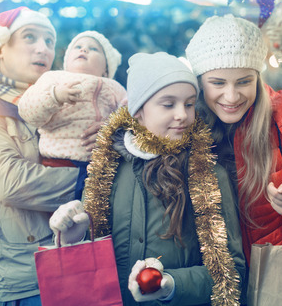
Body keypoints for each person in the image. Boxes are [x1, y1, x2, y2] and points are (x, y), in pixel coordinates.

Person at [49, 52, 246, 305]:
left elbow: (233, 271)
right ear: (138, 110)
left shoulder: (208, 174)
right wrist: (75, 238)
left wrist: (172, 285)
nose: (182, 115)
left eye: (189, 104)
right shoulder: (105, 170)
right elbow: (85, 271)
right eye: (168, 104)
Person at [0, 7, 97, 305]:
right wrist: (97, 179)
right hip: (33, 281)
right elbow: (10, 183)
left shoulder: (65, 101)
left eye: (48, 40)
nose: (42, 48)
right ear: (2, 49)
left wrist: (109, 138)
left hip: (93, 262)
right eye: (29, 37)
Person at [185, 14, 282, 265]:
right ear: (199, 83)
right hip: (211, 281)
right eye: (217, 83)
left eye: (244, 82)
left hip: (275, 278)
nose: (231, 96)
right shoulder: (183, 124)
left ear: (258, 79)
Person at [18, 31, 127, 199]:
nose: (84, 50)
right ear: (66, 62)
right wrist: (54, 96)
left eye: (93, 49)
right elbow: (28, 111)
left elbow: (132, 117)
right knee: (62, 214)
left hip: (103, 165)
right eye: (78, 47)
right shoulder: (53, 79)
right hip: (58, 162)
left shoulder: (114, 87)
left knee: (96, 214)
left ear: (106, 68)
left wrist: (115, 127)